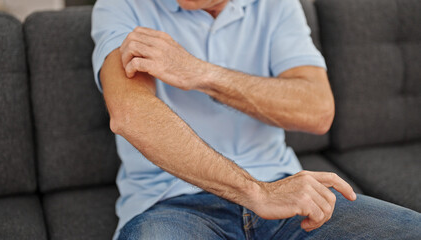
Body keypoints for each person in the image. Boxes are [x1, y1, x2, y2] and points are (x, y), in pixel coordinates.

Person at [91, 0, 421, 239]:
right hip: (171, 205)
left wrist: (201, 73)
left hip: (286, 192)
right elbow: (131, 114)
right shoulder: (122, 6)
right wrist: (256, 193)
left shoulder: (276, 6)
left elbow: (318, 110)